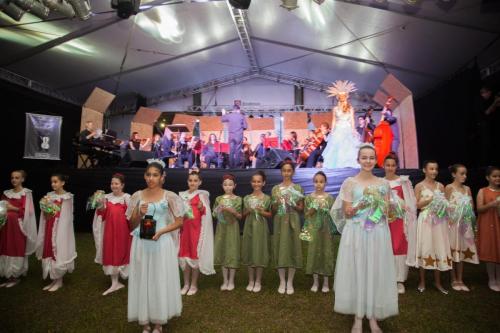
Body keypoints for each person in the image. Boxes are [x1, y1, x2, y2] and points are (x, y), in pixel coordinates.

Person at [332, 144, 398, 333]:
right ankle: (358, 317)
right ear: (358, 160)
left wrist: (386, 207)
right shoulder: (350, 183)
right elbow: (347, 212)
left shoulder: (383, 184)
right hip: (356, 232)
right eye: (364, 157)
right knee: (358, 271)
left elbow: (387, 211)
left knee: (375, 271)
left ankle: (373, 316)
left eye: (371, 157)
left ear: (376, 160)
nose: (368, 161)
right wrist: (358, 207)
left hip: (376, 232)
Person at [126, 160, 183, 333]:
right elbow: (131, 225)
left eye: (155, 175)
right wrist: (138, 213)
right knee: (142, 278)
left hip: (161, 242)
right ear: (144, 176)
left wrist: (162, 231)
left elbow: (180, 222)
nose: (151, 178)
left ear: (162, 178)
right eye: (148, 175)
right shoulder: (137, 196)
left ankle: (158, 321)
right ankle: (144, 321)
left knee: (159, 278)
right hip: (141, 243)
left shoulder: (170, 196)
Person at [413, 160, 452, 294]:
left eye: (436, 169)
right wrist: (431, 199)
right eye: (431, 169)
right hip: (425, 220)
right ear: (424, 170)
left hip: (439, 221)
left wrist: (443, 205)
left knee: (438, 247)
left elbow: (445, 203)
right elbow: (416, 205)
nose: (434, 171)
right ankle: (422, 281)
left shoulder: (440, 186)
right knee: (425, 246)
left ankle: (438, 281)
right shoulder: (419, 186)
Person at [92, 173, 132, 296]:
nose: (114, 186)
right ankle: (114, 282)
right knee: (110, 252)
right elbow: (101, 214)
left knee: (123, 252)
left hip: (123, 232)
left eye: (116, 183)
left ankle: (126, 278)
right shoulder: (106, 198)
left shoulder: (127, 197)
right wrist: (98, 203)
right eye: (112, 183)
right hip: (109, 231)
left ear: (122, 185)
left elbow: (131, 216)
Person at [36, 173, 76, 292]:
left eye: (56, 182)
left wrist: (59, 230)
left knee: (58, 251)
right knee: (49, 250)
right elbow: (47, 215)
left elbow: (67, 217)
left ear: (62, 183)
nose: (53, 184)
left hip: (60, 229)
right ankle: (53, 279)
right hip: (49, 227)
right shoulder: (49, 196)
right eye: (52, 182)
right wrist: (45, 207)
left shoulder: (67, 197)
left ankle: (59, 280)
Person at [383, 154, 417, 294]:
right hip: (384, 221)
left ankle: (399, 280)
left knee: (399, 247)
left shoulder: (403, 182)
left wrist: (401, 206)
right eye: (388, 165)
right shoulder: (379, 182)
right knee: (386, 247)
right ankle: (386, 278)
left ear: (396, 166)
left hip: (399, 221)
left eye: (393, 165)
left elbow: (411, 202)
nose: (390, 168)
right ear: (383, 166)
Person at [178, 169, 215, 295]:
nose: (192, 183)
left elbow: (206, 213)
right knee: (184, 256)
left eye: (195, 181)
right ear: (187, 182)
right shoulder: (182, 196)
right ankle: (186, 283)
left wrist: (201, 207)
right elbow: (178, 213)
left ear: (200, 182)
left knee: (194, 256)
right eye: (190, 180)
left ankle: (194, 284)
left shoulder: (202, 195)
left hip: (196, 231)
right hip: (184, 231)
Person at [271, 160, 304, 294]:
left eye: (289, 170)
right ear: (281, 172)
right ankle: (282, 281)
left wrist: (293, 204)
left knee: (292, 247)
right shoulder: (276, 189)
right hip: (280, 220)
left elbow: (301, 209)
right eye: (284, 170)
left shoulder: (297, 189)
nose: (286, 173)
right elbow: (272, 209)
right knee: (280, 246)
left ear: (293, 172)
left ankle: (290, 281)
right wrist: (278, 202)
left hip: (293, 219)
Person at [0, 170, 37, 288]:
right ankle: (7, 275)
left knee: (15, 247)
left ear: (22, 179)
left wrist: (12, 208)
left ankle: (15, 276)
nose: (14, 180)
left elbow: (29, 212)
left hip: (18, 226)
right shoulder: (6, 193)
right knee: (5, 247)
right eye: (12, 178)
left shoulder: (26, 194)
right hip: (6, 226)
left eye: (17, 178)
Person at [445, 164, 479, 292]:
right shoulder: (449, 188)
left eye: (465, 174)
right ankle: (453, 278)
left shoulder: (467, 189)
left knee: (462, 250)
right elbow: (446, 205)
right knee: (454, 250)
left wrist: (467, 208)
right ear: (454, 174)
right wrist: (456, 209)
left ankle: (460, 278)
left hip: (464, 225)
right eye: (461, 173)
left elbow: (472, 206)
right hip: (453, 224)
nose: (464, 176)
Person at [303, 171, 335, 293]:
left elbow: (334, 214)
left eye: (321, 182)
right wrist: (312, 209)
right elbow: (306, 214)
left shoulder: (330, 198)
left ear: (325, 183)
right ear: (313, 183)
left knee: (326, 251)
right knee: (314, 251)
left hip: (326, 229)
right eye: (316, 181)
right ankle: (315, 281)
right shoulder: (309, 198)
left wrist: (326, 210)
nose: (318, 184)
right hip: (314, 229)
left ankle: (326, 281)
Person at [242, 171, 272, 292]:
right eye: (254, 181)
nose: (256, 183)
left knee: (259, 250)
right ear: (251, 183)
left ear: (263, 183)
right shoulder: (247, 198)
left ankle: (258, 280)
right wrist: (248, 210)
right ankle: (251, 280)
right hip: (249, 226)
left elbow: (270, 214)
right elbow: (243, 214)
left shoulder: (267, 198)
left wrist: (261, 211)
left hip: (261, 227)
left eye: (259, 181)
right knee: (250, 250)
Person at [212, 174, 242, 291]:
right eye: (225, 185)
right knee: (223, 250)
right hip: (221, 228)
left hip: (233, 228)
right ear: (222, 186)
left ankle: (231, 280)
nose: (228, 187)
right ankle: (225, 280)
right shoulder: (219, 199)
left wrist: (233, 211)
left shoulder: (238, 199)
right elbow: (214, 214)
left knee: (232, 251)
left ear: (234, 186)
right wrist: (219, 209)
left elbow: (240, 216)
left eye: (230, 185)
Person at [321, 80, 361, 169]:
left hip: (347, 128)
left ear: (346, 97)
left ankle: (347, 164)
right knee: (337, 146)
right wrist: (332, 131)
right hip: (338, 129)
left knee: (348, 146)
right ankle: (337, 165)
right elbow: (334, 120)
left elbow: (352, 120)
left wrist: (354, 130)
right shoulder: (335, 109)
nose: (342, 97)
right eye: (340, 96)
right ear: (338, 97)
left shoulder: (350, 108)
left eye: (344, 96)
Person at [476, 166, 500, 291]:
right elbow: (479, 209)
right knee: (491, 249)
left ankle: (499, 279)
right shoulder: (483, 191)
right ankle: (492, 278)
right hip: (488, 223)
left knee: (498, 249)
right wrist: (491, 204)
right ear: (488, 177)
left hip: (498, 223)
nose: (497, 178)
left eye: (499, 176)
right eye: (494, 176)